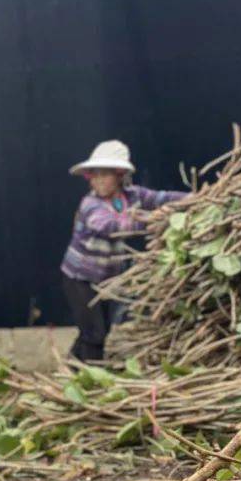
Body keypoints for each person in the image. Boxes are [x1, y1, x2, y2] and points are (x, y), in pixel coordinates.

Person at [61, 139, 186, 362]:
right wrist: (152, 221)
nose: (98, 181)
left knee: (96, 331)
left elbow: (161, 198)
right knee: (95, 334)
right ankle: (93, 380)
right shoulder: (91, 204)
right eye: (94, 175)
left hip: (106, 279)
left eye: (104, 175)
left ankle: (71, 369)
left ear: (119, 175)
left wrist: (194, 199)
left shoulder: (131, 196)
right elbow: (111, 226)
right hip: (80, 279)